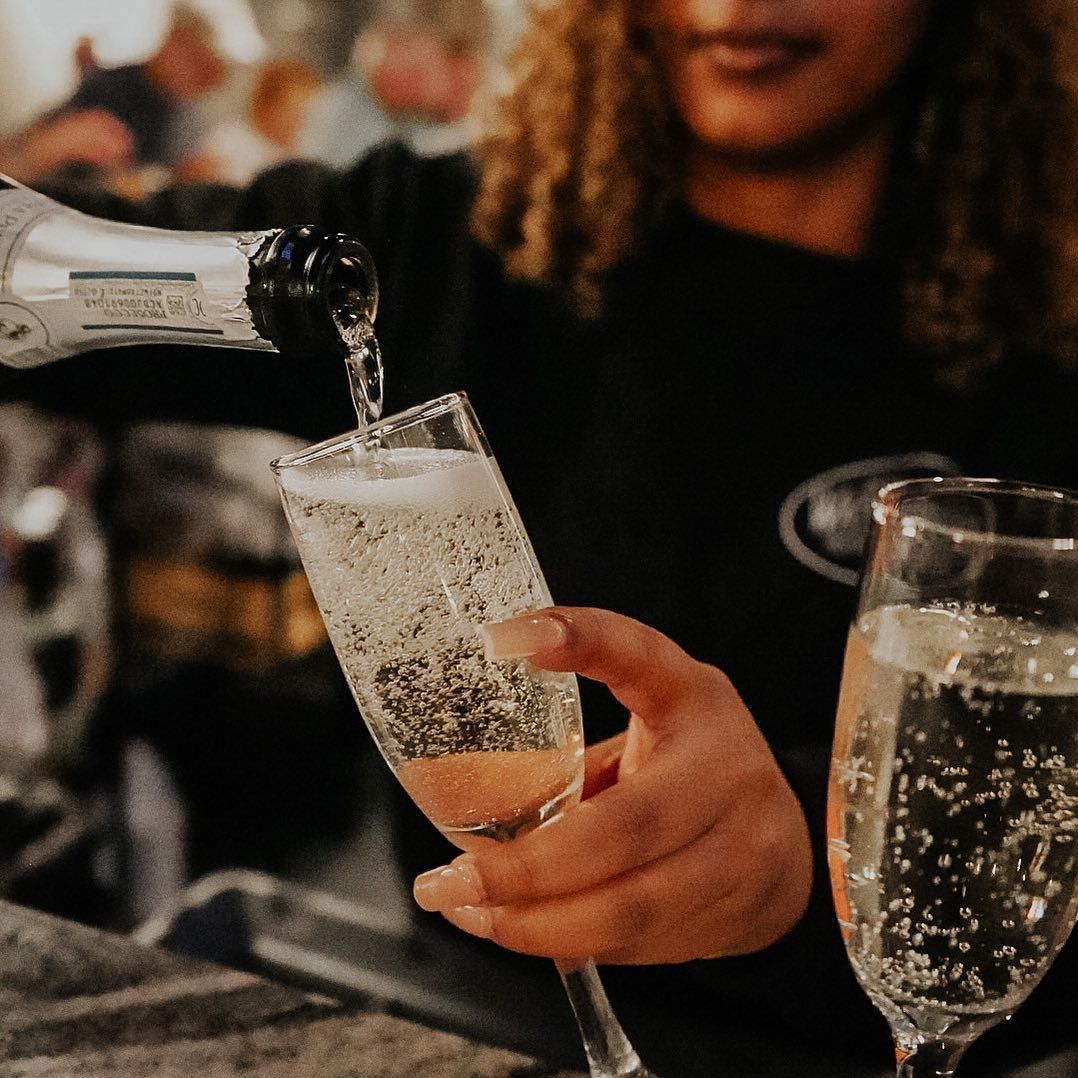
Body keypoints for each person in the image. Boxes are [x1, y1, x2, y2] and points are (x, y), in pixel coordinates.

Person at [12, 0, 1078, 1073]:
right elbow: (78, 284)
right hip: (465, 1019)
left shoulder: (1050, 328)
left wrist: (811, 849)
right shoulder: (434, 246)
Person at [192, 58, 322, 186]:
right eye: (293, 113)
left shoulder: (297, 159)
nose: (298, 123)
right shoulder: (228, 141)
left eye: (305, 115)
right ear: (269, 105)